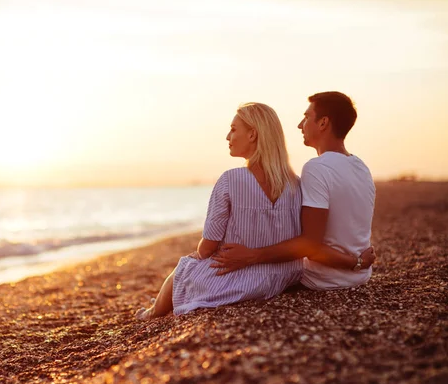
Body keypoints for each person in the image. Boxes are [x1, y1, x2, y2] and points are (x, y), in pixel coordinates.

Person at [136, 102, 370, 320]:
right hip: (283, 277)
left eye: (233, 129)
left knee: (186, 265)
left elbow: (208, 247)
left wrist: (206, 251)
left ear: (252, 134)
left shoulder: (230, 180)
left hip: (246, 278)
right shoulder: (297, 184)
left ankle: (152, 312)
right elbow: (302, 237)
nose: (228, 137)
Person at [211, 92, 376, 290]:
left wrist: (252, 255)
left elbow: (310, 245)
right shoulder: (361, 167)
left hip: (322, 278)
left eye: (306, 117)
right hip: (360, 276)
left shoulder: (317, 168)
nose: (300, 125)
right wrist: (358, 263)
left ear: (323, 123)